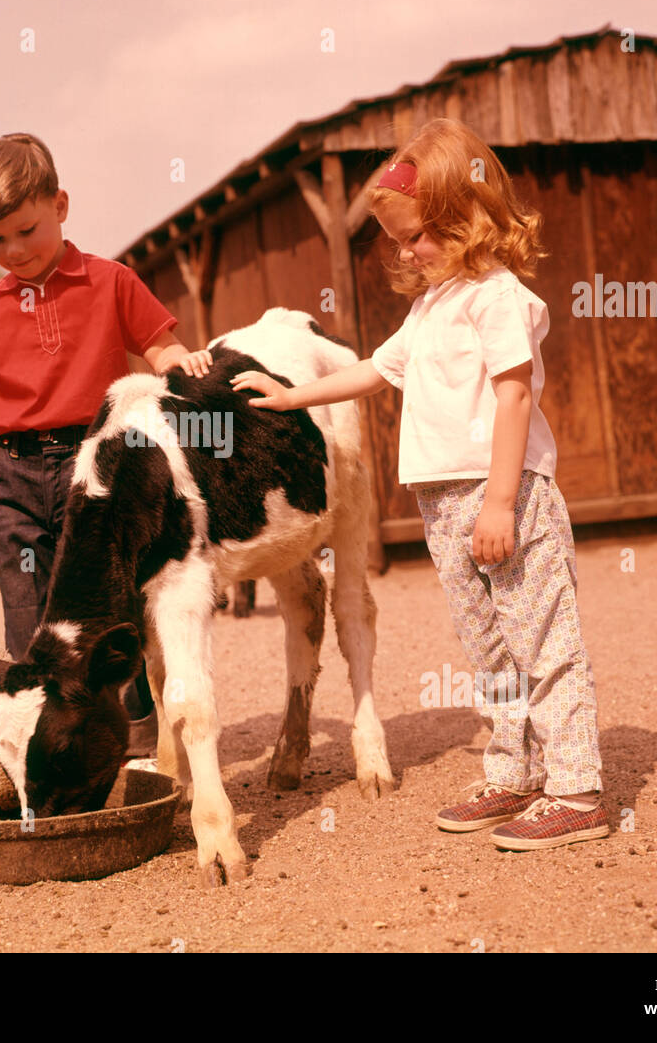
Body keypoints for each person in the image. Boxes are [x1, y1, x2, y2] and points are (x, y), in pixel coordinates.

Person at [231, 118, 608, 850]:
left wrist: (501, 501)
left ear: (466, 219)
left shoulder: (499, 299)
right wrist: (288, 397)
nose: (406, 253)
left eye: (416, 237)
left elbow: (514, 396)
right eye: (399, 241)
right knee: (488, 645)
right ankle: (514, 770)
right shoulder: (431, 306)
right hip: (442, 501)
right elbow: (376, 369)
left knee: (542, 638)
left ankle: (577, 787)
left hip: (504, 494)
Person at [0, 133, 211, 755]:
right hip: (11, 478)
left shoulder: (110, 280)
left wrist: (184, 360)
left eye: (26, 230)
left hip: (92, 467)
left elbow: (159, 346)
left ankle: (138, 729)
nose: (13, 250)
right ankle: (42, 735)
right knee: (27, 615)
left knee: (106, 603)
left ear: (61, 205)